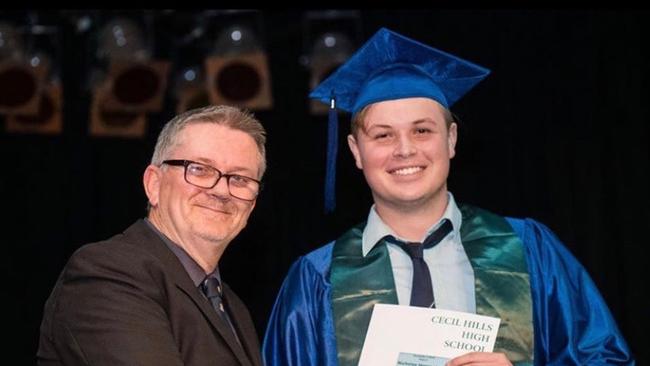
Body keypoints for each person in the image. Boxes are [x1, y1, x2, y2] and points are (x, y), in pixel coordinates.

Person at [262, 28, 634, 366]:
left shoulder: (528, 250)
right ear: (356, 152)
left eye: (422, 130)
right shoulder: (317, 279)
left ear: (451, 140)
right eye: (383, 135)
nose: (405, 150)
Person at [38, 105, 266, 366]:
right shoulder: (107, 273)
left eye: (239, 179)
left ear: (253, 203)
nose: (222, 191)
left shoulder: (233, 307)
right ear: (153, 184)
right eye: (200, 169)